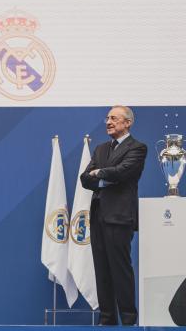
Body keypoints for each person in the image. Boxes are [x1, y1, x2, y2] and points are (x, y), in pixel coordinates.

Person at [80, 105, 147, 325]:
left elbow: (123, 172)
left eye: (114, 118)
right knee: (102, 270)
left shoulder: (137, 148)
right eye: (107, 118)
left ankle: (128, 320)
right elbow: (84, 179)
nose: (108, 122)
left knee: (120, 270)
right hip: (98, 215)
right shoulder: (100, 149)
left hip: (119, 217)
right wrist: (103, 176)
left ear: (127, 123)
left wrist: (99, 172)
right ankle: (106, 319)